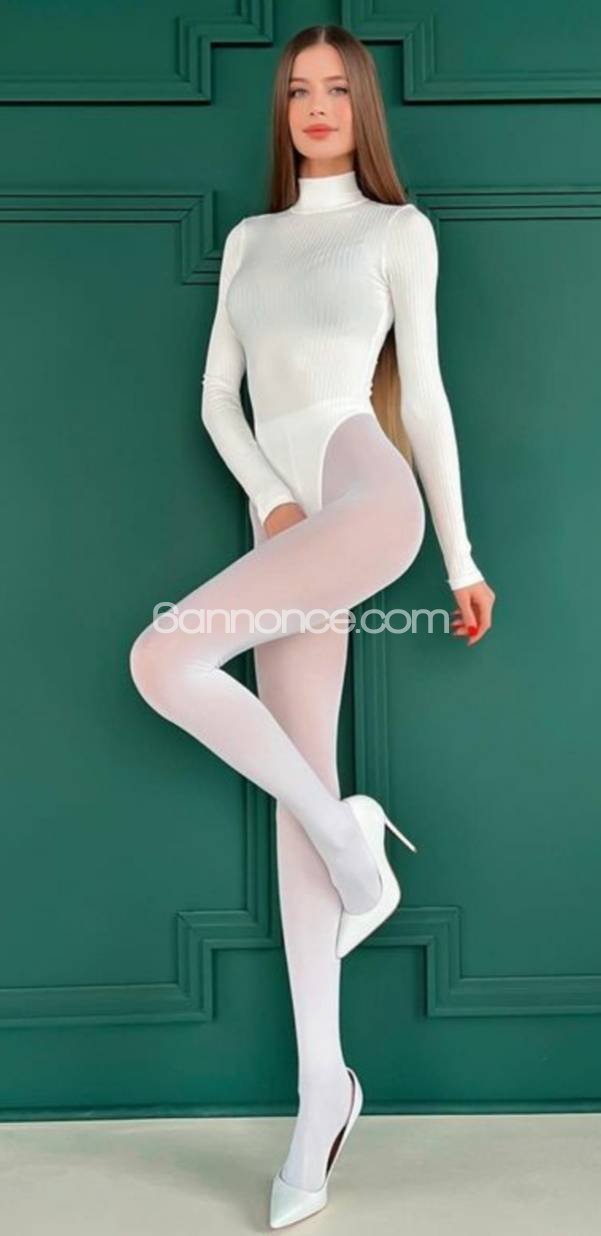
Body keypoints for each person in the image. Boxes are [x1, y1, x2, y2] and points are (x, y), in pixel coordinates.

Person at [128, 22, 495, 1230]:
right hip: (286, 516)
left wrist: (460, 558)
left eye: (337, 88)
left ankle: (350, 844)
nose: (317, 105)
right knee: (297, 788)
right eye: (298, 90)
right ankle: (321, 1092)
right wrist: (267, 498)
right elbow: (214, 397)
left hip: (367, 497)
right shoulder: (250, 239)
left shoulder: (397, 230)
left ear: (362, 107)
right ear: (281, 112)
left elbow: (423, 398)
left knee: (163, 656)